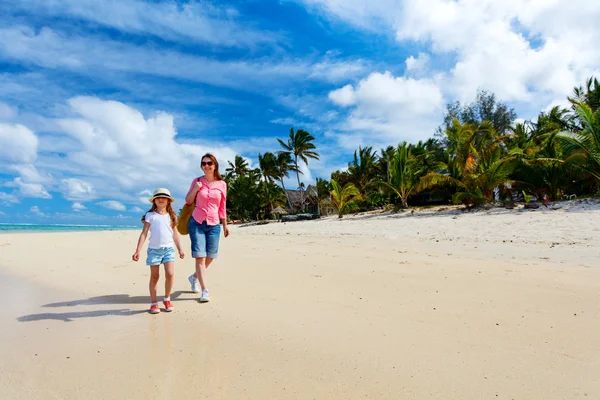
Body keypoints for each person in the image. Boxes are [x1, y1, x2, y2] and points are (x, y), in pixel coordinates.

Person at [185, 153, 230, 303]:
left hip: (214, 223)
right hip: (197, 222)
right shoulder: (197, 181)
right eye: (203, 163)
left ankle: (194, 277)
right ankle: (205, 290)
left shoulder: (222, 184)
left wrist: (225, 224)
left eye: (209, 163)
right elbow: (188, 201)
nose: (206, 166)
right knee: (200, 256)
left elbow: (222, 206)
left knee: (211, 255)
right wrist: (196, 189)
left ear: (215, 165)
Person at [132, 188, 184, 314]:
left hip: (169, 249)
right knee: (155, 276)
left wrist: (180, 249)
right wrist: (138, 250)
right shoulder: (150, 215)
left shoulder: (171, 216)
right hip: (154, 250)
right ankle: (154, 302)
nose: (161, 199)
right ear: (154, 200)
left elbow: (175, 234)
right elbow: (144, 233)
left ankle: (167, 299)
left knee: (170, 274)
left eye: (164, 198)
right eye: (158, 197)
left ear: (168, 201)